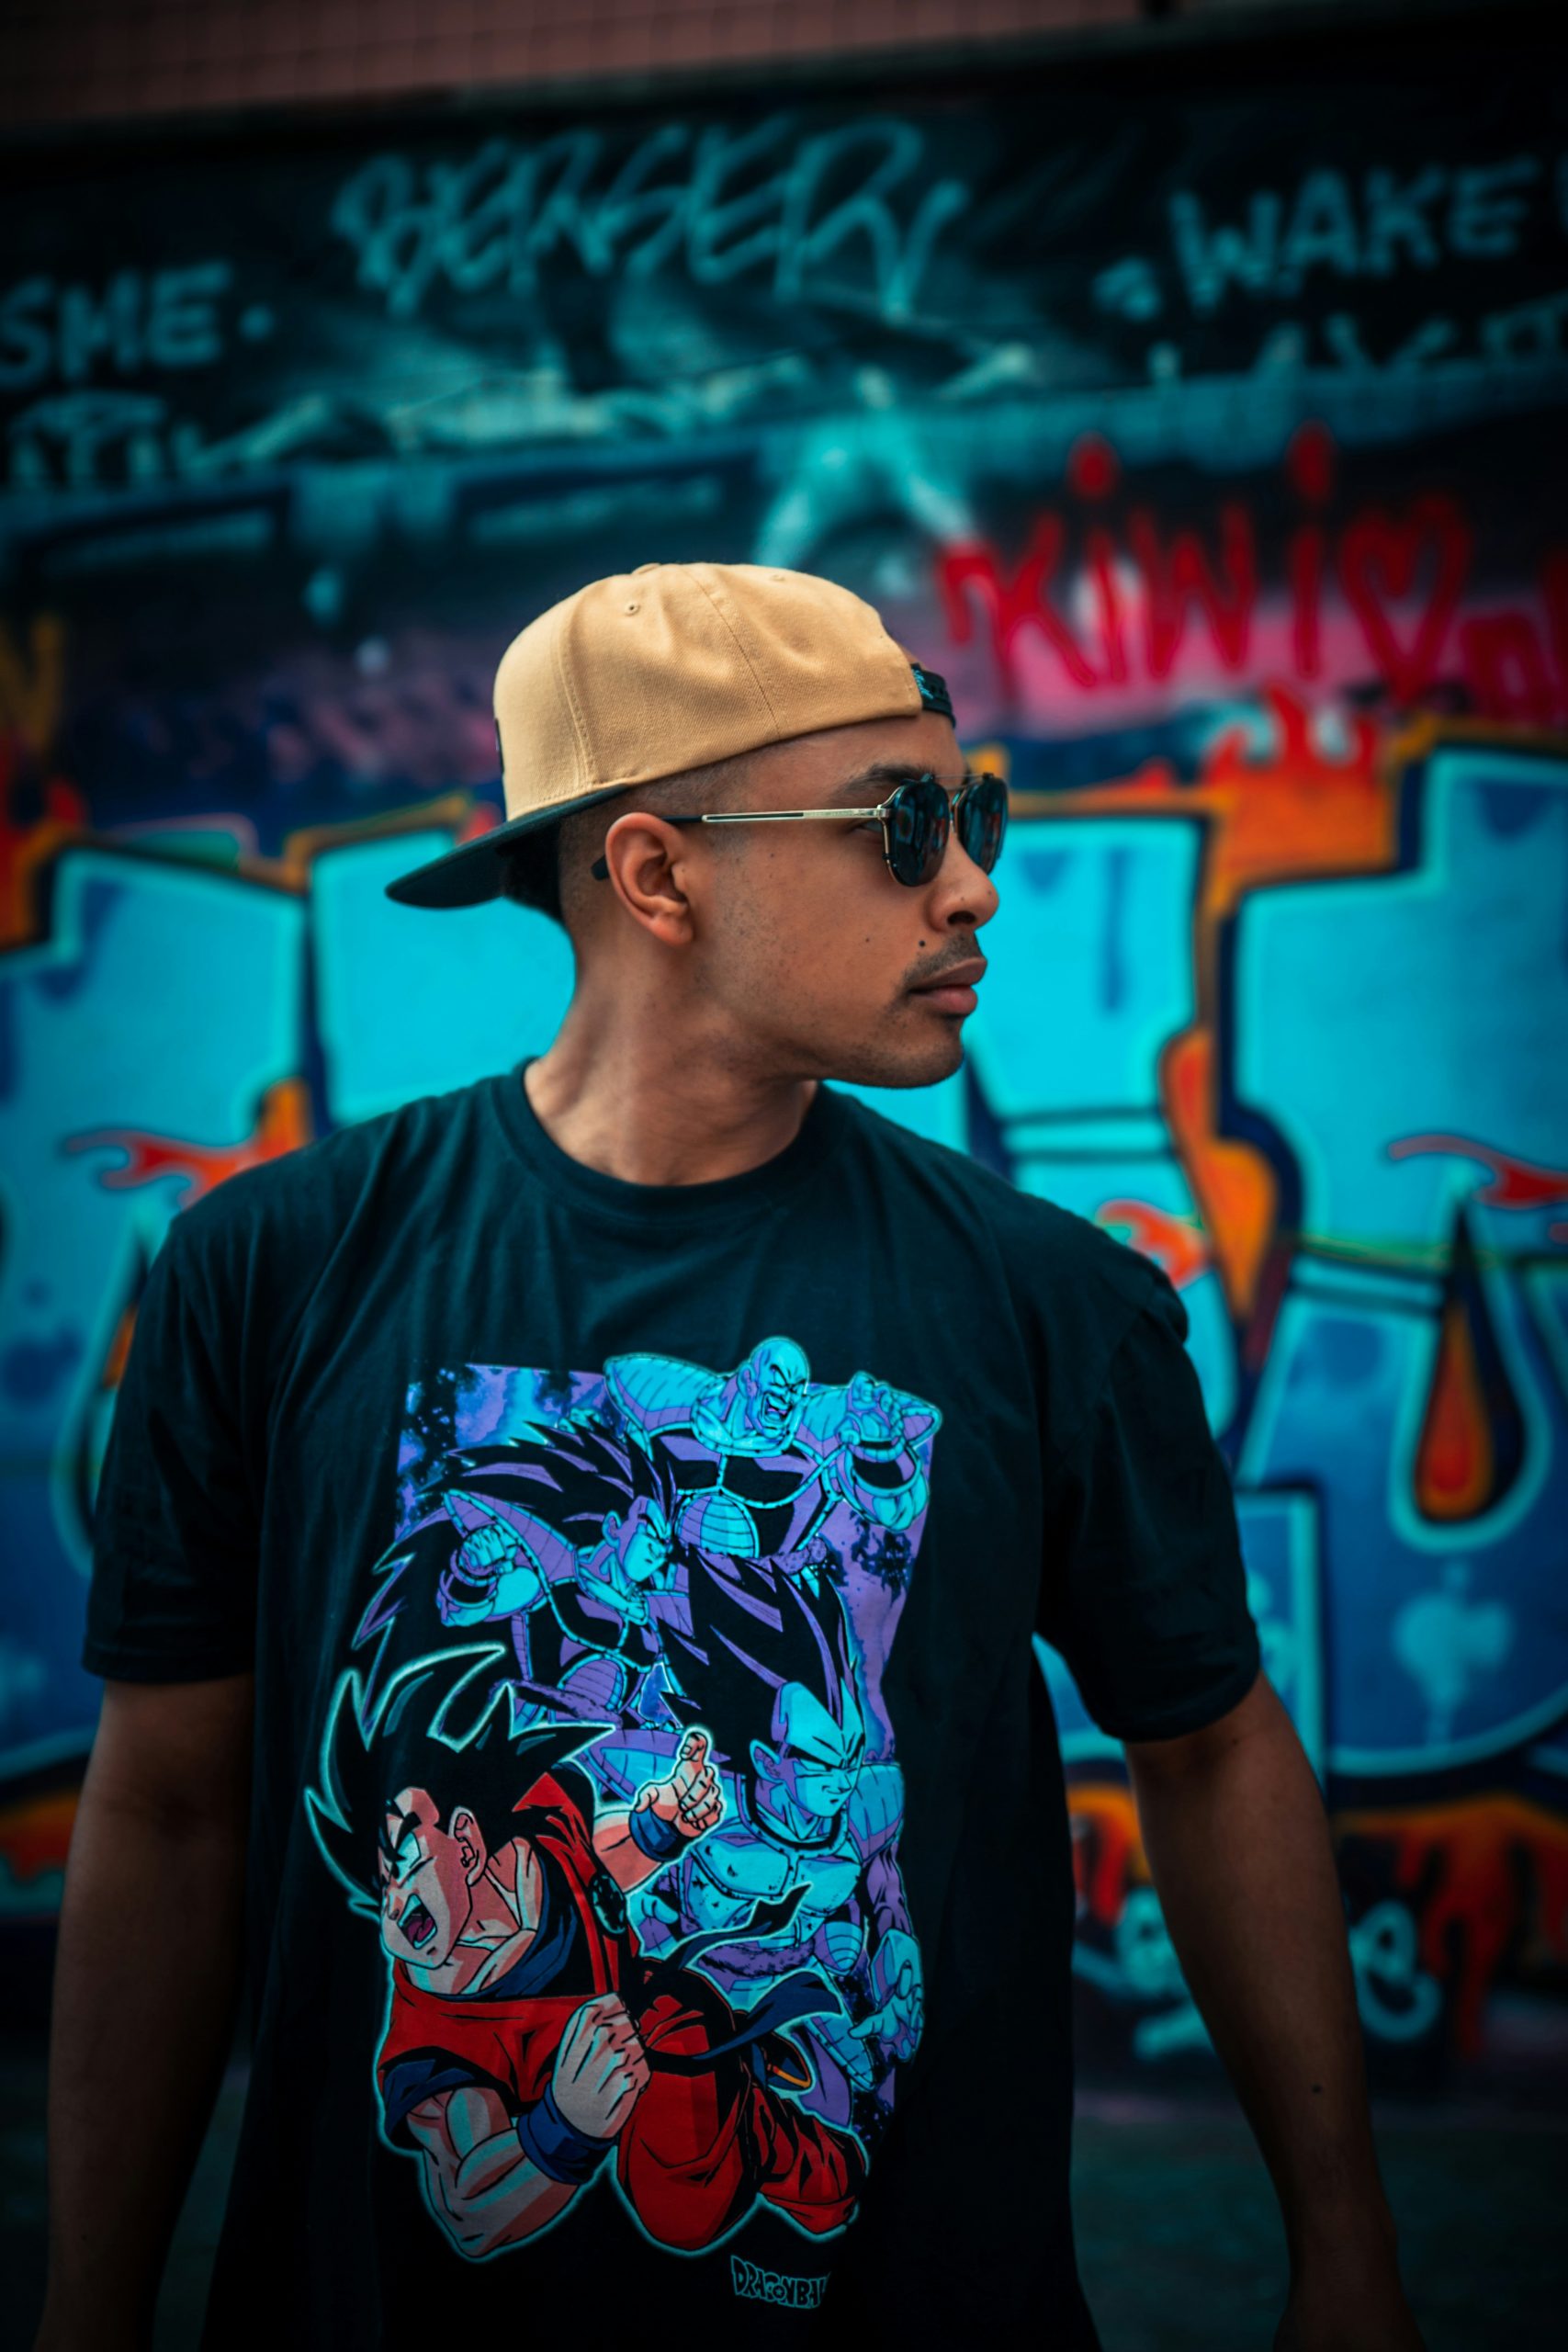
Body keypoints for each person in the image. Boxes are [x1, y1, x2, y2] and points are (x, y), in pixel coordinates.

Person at [39, 563, 1424, 2352]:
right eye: (901, 823)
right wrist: (86, 2306)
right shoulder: (274, 1272)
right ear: (655, 873)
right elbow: (167, 1804)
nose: (971, 883)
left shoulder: (1049, 1305)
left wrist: (1345, 2251)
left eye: (976, 814)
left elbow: (1212, 1745)